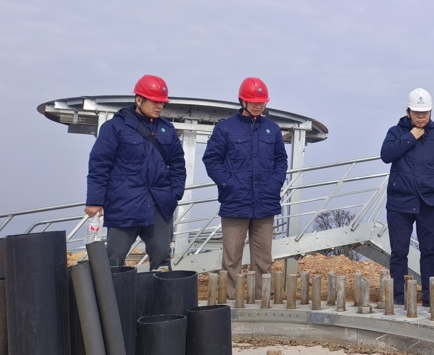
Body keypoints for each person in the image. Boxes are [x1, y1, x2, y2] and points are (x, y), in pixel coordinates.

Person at [86, 74, 186, 270]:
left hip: (159, 205)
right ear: (139, 100)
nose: (159, 106)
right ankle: (113, 291)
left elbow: (177, 164)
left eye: (162, 102)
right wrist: (95, 201)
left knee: (162, 257)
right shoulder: (114, 128)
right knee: (114, 258)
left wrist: (174, 194)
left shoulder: (167, 129)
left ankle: (161, 291)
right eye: (155, 101)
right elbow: (99, 165)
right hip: (124, 203)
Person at [203, 77, 289, 300]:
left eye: (261, 102)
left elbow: (281, 160)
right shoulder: (225, 128)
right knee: (232, 258)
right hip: (235, 202)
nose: (258, 105)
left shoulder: (272, 129)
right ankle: (231, 300)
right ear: (242, 100)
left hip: (265, 202)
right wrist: (228, 184)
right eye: (253, 101)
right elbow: (211, 160)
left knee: (263, 259)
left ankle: (263, 299)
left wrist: (275, 184)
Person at [380, 88, 434, 305]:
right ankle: (399, 300)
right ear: (408, 112)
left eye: (425, 112)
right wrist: (410, 137)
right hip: (399, 203)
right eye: (417, 112)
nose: (421, 117)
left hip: (429, 203)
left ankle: (430, 301)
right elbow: (386, 155)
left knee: (429, 252)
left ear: (431, 112)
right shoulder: (395, 132)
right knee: (399, 252)